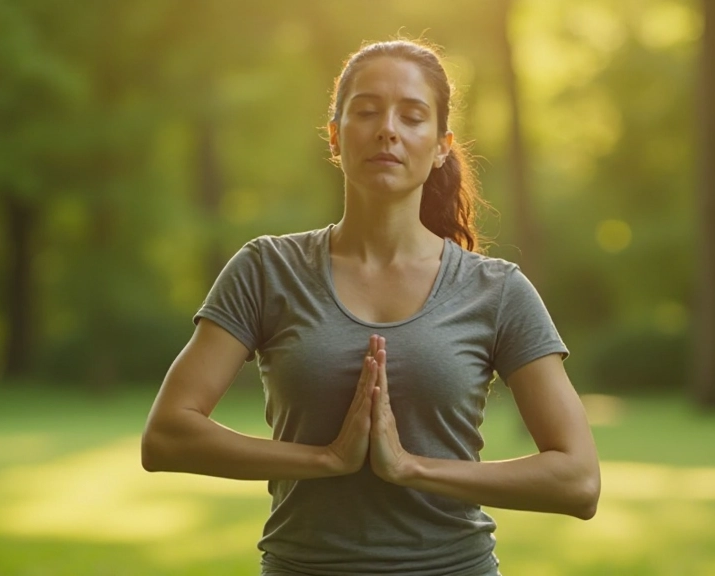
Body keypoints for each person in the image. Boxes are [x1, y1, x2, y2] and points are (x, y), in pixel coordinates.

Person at [141, 38, 601, 576]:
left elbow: (578, 480)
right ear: (335, 136)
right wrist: (326, 459)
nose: (388, 128)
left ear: (440, 146)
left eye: (412, 116)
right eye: (366, 111)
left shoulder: (497, 291)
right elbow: (167, 436)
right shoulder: (267, 270)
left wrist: (410, 468)